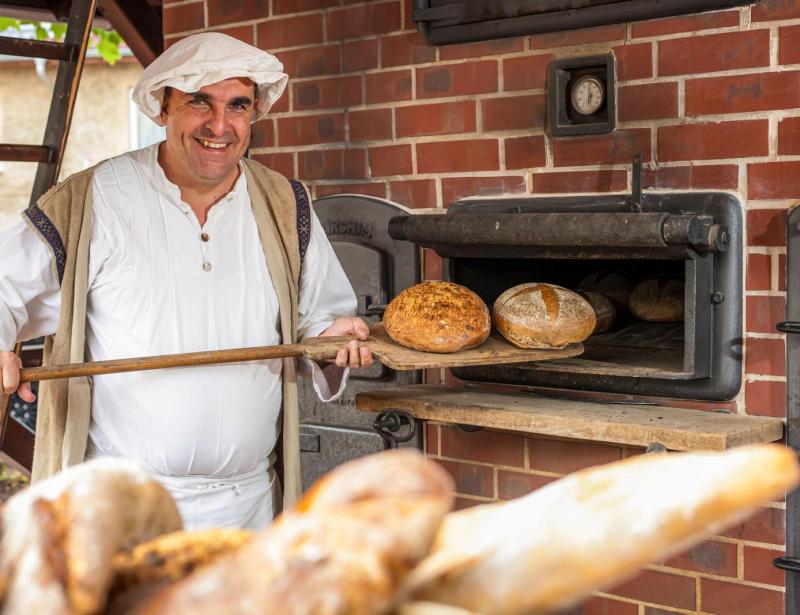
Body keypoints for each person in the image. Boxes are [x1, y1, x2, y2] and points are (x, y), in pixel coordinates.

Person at [0, 32, 373, 530]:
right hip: (122, 508)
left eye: (238, 105)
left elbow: (319, 317)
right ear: (162, 108)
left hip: (248, 507)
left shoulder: (285, 204)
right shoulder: (94, 198)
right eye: (200, 103)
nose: (220, 125)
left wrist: (332, 338)